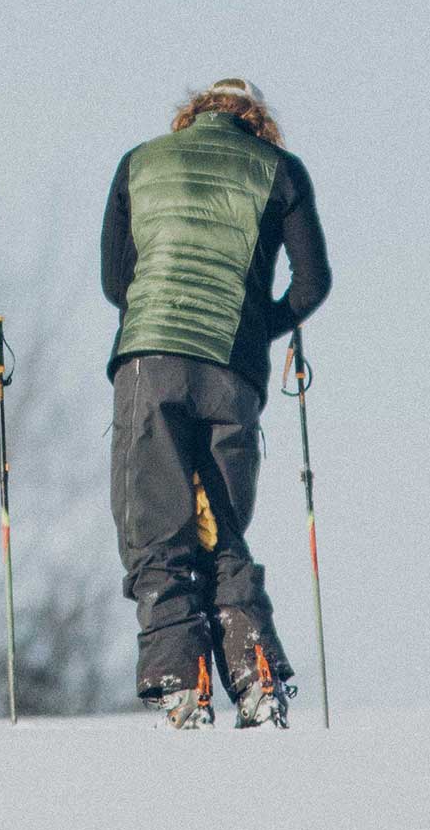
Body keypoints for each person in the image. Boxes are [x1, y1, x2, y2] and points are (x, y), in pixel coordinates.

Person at [100, 76, 331, 729]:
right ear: (256, 123)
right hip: (234, 368)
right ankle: (254, 676)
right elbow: (313, 284)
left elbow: (116, 280)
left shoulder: (140, 162)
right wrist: (255, 323)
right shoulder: (281, 171)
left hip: (149, 361)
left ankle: (181, 682)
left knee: (156, 529)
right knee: (221, 528)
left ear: (190, 116)